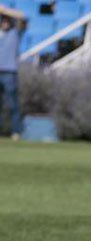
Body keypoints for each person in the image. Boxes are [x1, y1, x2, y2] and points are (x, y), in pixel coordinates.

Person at [0, 4, 26, 140]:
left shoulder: (15, 33)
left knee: (13, 103)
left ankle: (16, 131)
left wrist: (5, 10)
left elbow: (23, 17)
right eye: (2, 20)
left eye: (6, 20)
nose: (4, 22)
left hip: (9, 72)